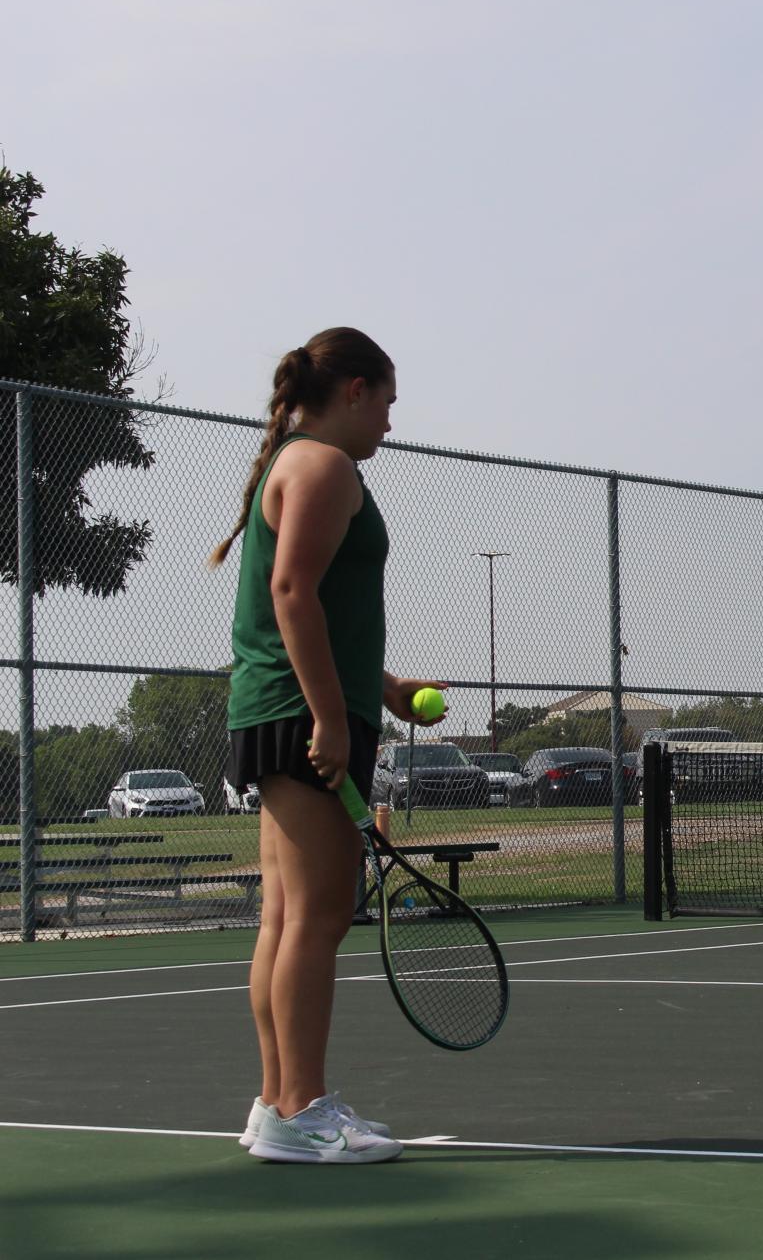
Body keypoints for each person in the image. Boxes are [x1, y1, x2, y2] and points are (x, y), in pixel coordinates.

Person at [210, 327, 446, 1164]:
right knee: (314, 919)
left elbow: (316, 605)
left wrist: (375, 690)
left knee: (285, 918)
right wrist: (332, 718)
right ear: (353, 390)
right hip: (299, 716)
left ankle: (278, 1106)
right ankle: (301, 1109)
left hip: (280, 710)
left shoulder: (303, 463)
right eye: (385, 401)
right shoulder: (323, 466)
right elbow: (290, 592)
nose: (389, 420)